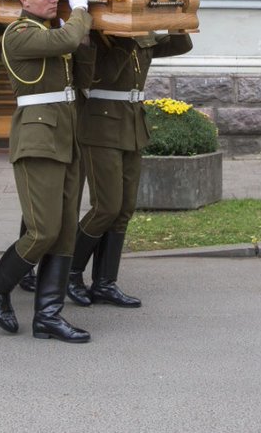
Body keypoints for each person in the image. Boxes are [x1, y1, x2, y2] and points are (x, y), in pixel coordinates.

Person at [0, 0, 93, 343]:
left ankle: (48, 316)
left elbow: (82, 76)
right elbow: (67, 41)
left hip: (66, 135)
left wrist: (87, 42)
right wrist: (81, 12)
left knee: (64, 233)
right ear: (23, 0)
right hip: (38, 138)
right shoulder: (20, 33)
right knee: (42, 229)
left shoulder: (54, 33)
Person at [66, 30, 193, 308]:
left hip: (131, 126)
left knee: (124, 209)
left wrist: (177, 20)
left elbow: (181, 45)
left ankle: (105, 283)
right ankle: (69, 273)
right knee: (106, 207)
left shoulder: (139, 36)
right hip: (101, 128)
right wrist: (126, 37)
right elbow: (102, 76)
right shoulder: (97, 38)